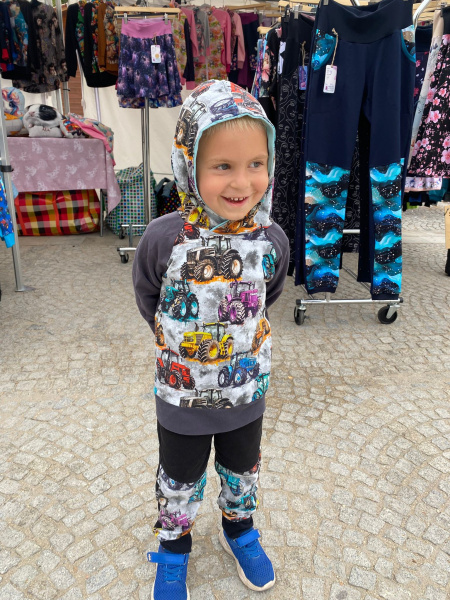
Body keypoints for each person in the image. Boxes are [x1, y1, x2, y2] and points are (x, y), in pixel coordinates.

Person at [133, 79, 289, 600]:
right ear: (189, 164)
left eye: (256, 164)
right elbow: (149, 297)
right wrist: (181, 344)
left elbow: (266, 297)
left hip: (246, 389)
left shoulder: (271, 240)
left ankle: (238, 528)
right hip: (181, 395)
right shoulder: (164, 238)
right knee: (178, 474)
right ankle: (174, 545)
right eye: (222, 166)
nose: (242, 182)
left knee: (243, 466)